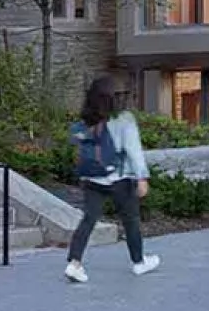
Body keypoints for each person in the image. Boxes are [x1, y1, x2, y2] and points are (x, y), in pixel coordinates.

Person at [64, 78, 160, 282]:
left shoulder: (86, 120)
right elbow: (133, 151)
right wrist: (142, 177)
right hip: (120, 178)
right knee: (131, 220)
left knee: (88, 220)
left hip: (91, 178)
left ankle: (74, 263)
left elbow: (76, 142)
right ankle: (139, 262)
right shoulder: (124, 119)